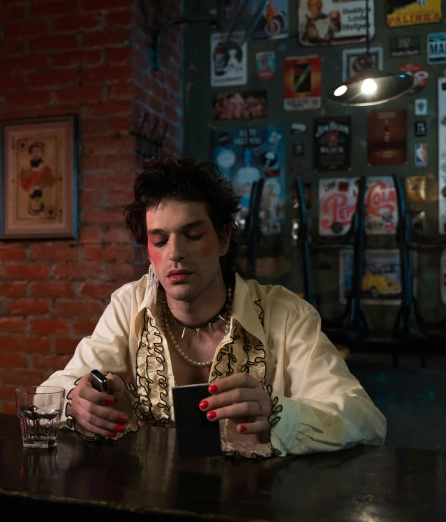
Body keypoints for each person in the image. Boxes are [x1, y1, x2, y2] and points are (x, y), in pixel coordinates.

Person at [42, 155, 386, 458]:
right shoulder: (128, 305)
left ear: (223, 239)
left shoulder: (285, 312)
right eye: (159, 240)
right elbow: (47, 394)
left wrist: (278, 416)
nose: (174, 253)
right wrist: (75, 400)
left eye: (192, 236)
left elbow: (365, 419)